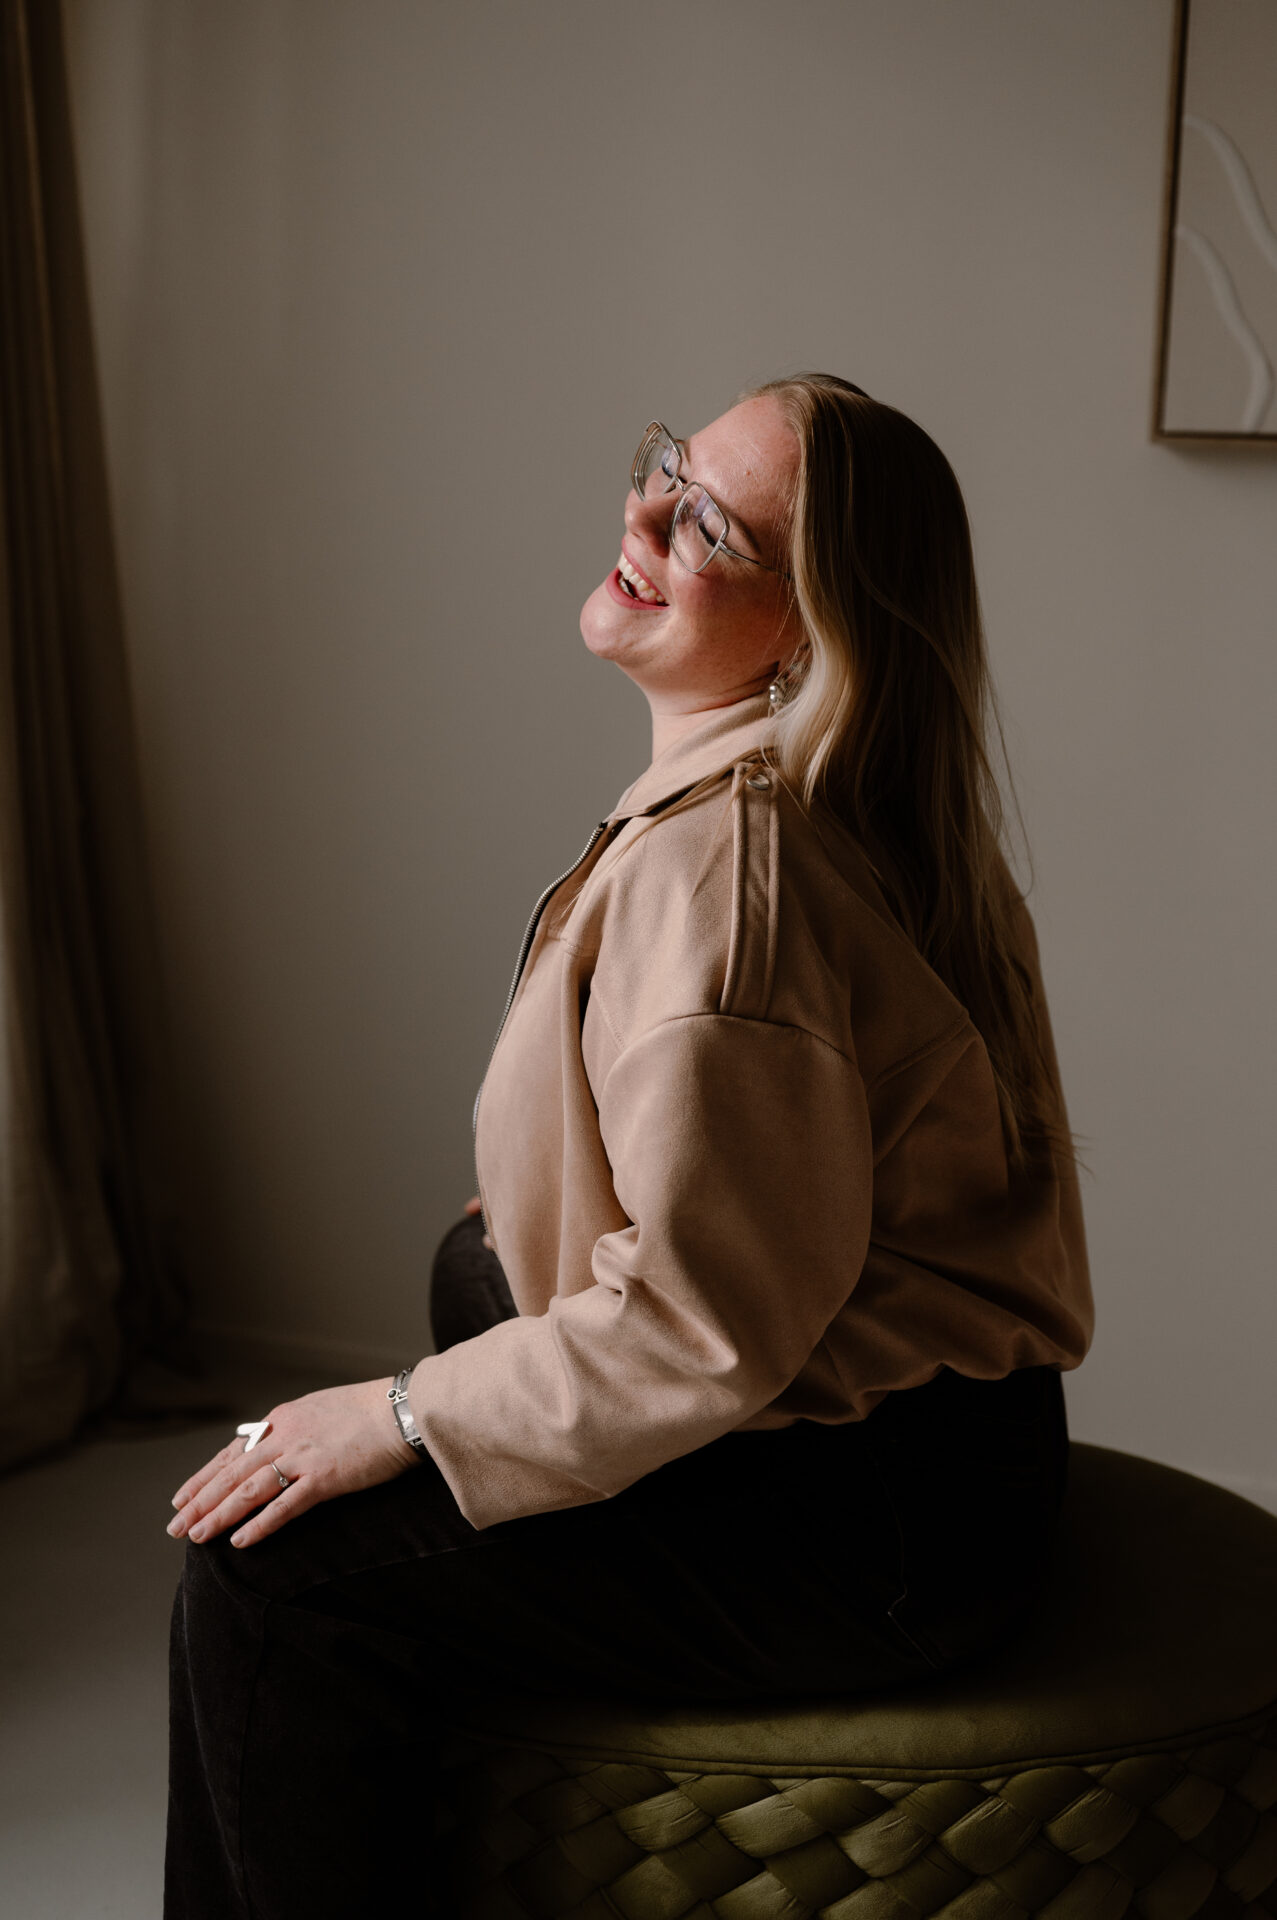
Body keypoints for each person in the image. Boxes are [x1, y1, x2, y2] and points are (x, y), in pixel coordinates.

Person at [163, 373, 1093, 1920]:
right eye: (669, 467)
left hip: (875, 1530)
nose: (644, 513)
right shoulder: (842, 790)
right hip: (958, 1456)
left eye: (709, 525)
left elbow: (699, 1327)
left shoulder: (728, 871)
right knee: (478, 1266)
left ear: (809, 633)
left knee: (267, 1575)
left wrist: (392, 1415)